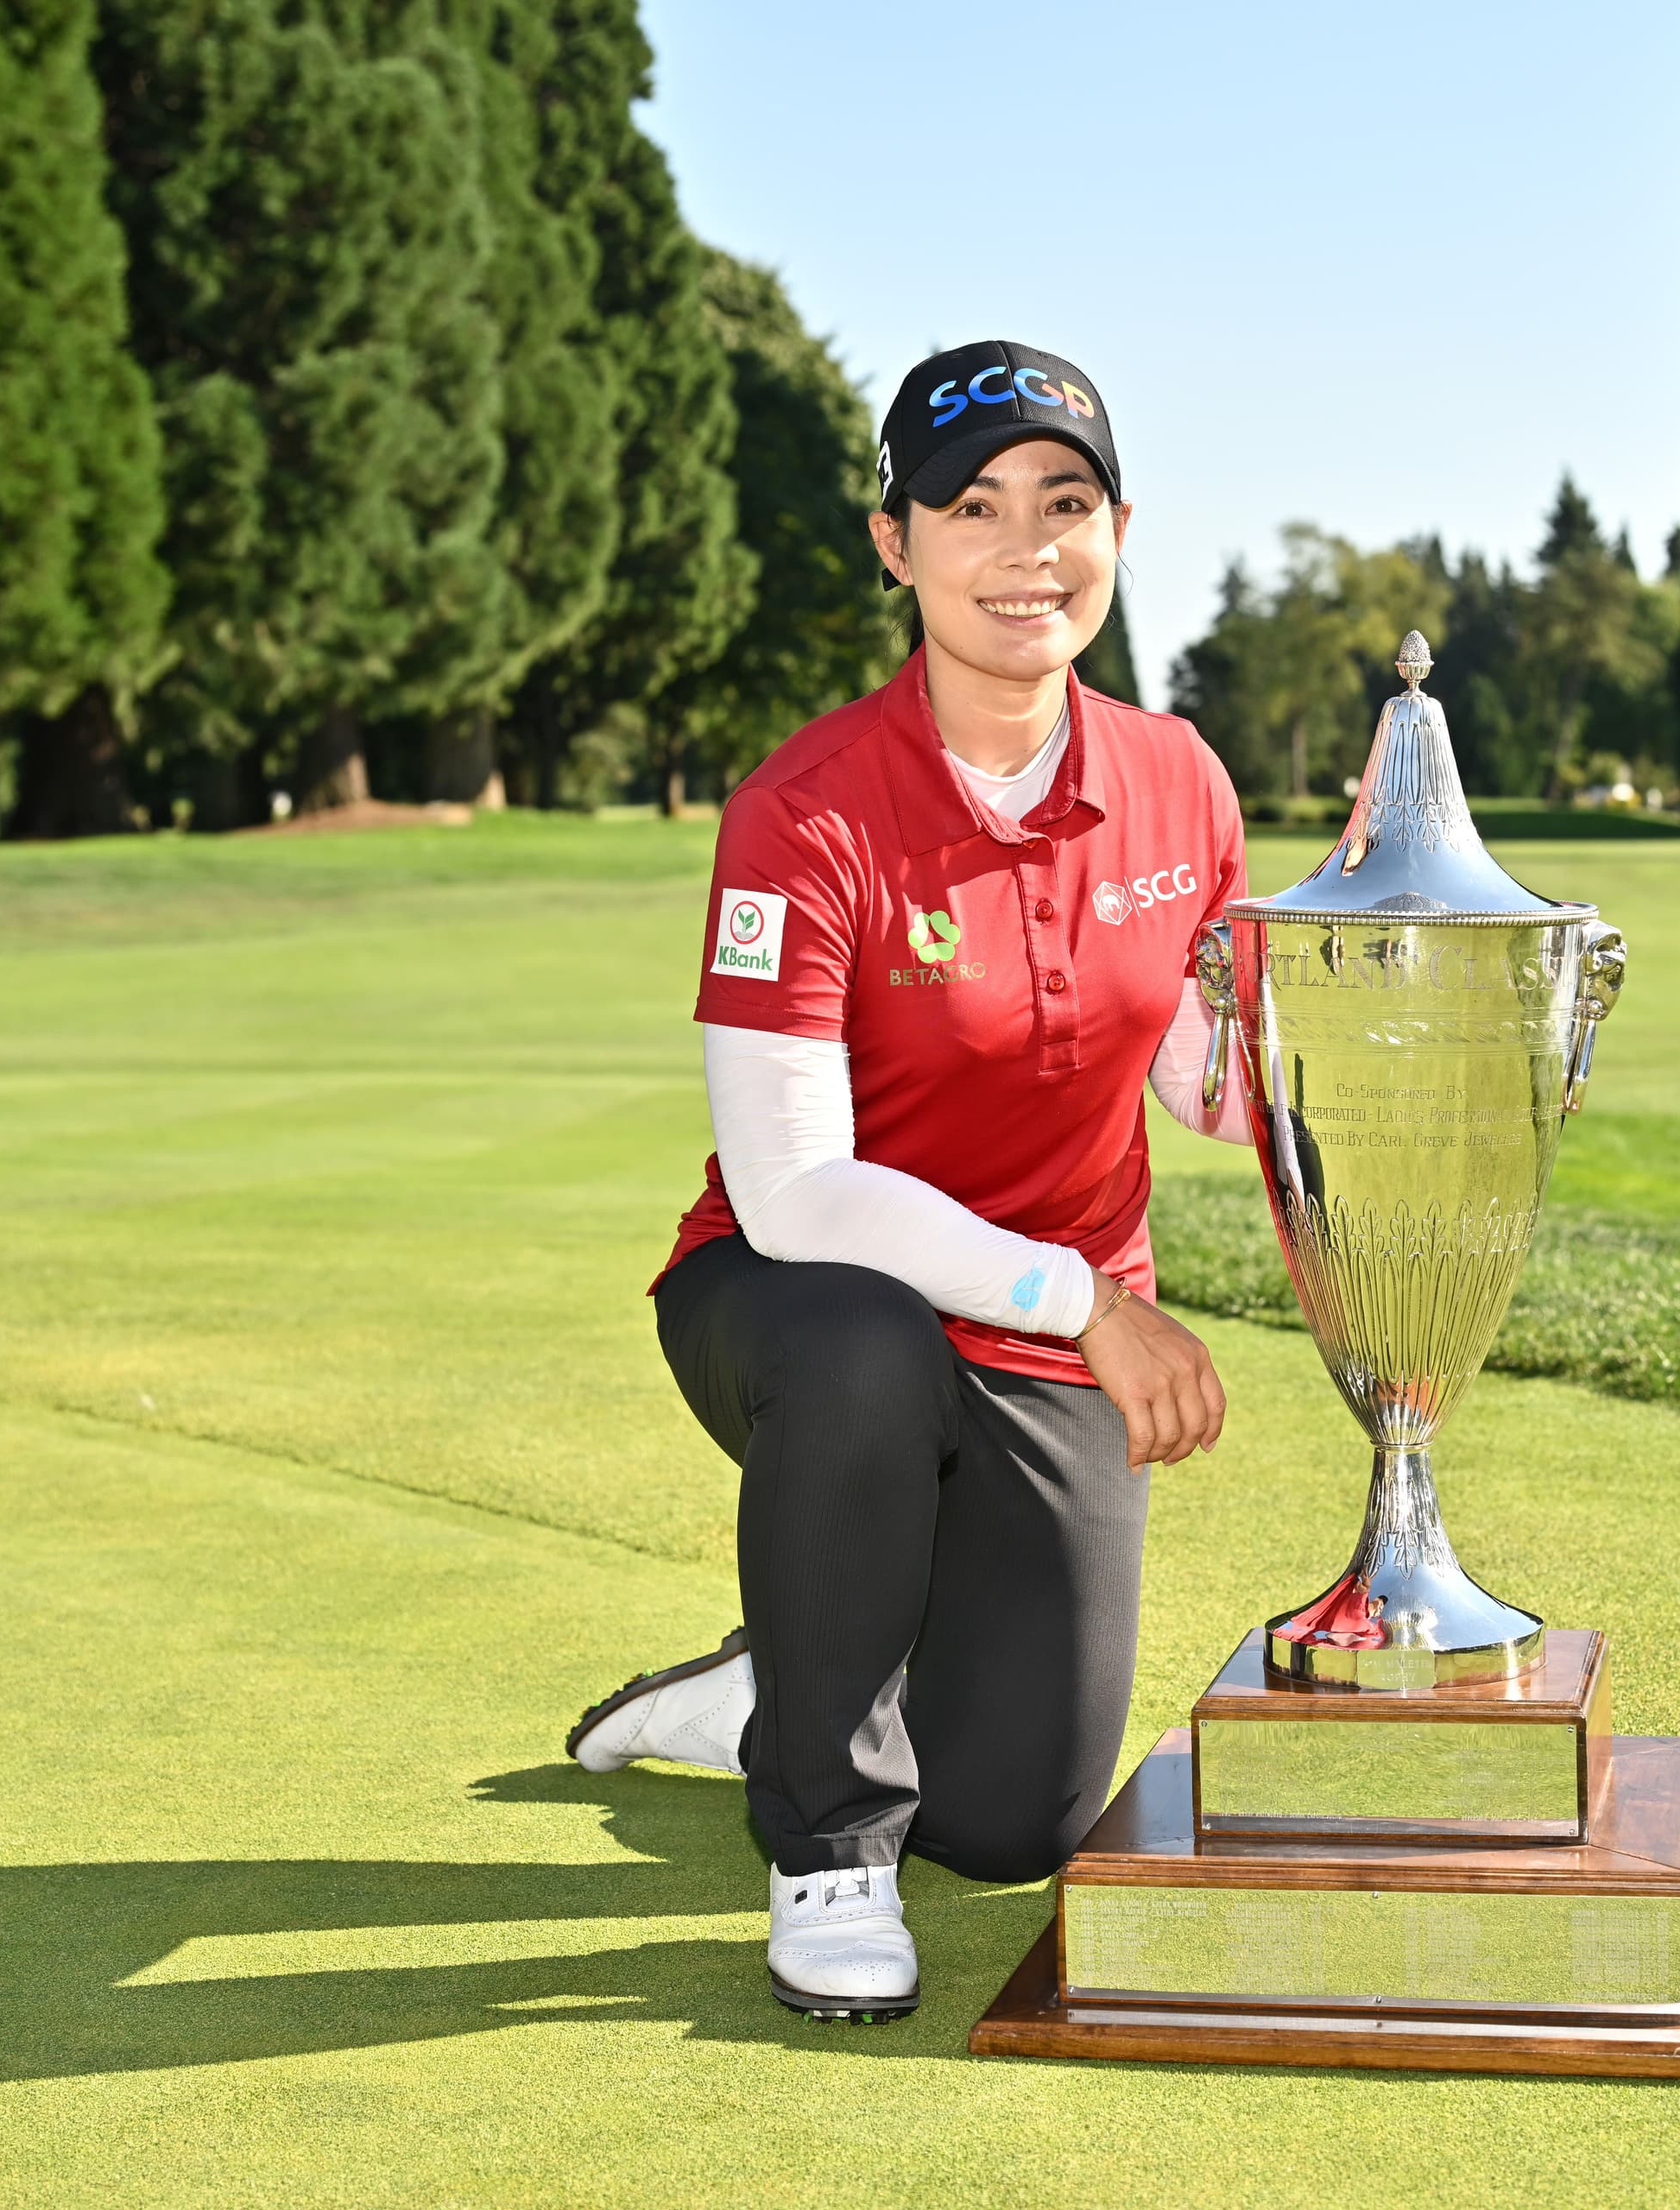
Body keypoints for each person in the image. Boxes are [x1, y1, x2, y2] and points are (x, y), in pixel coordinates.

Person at [565, 339, 1256, 2022]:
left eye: (1067, 503)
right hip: (793, 1298)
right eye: (974, 507)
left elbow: (1207, 1084)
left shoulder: (1178, 778)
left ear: (1120, 526)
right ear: (897, 543)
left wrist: (1389, 1055)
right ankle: (826, 1841)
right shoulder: (804, 810)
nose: (1029, 547)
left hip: (1041, 1330)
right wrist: (1090, 1301)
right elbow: (799, 1189)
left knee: (1015, 1817)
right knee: (866, 1345)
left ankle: (774, 1688)